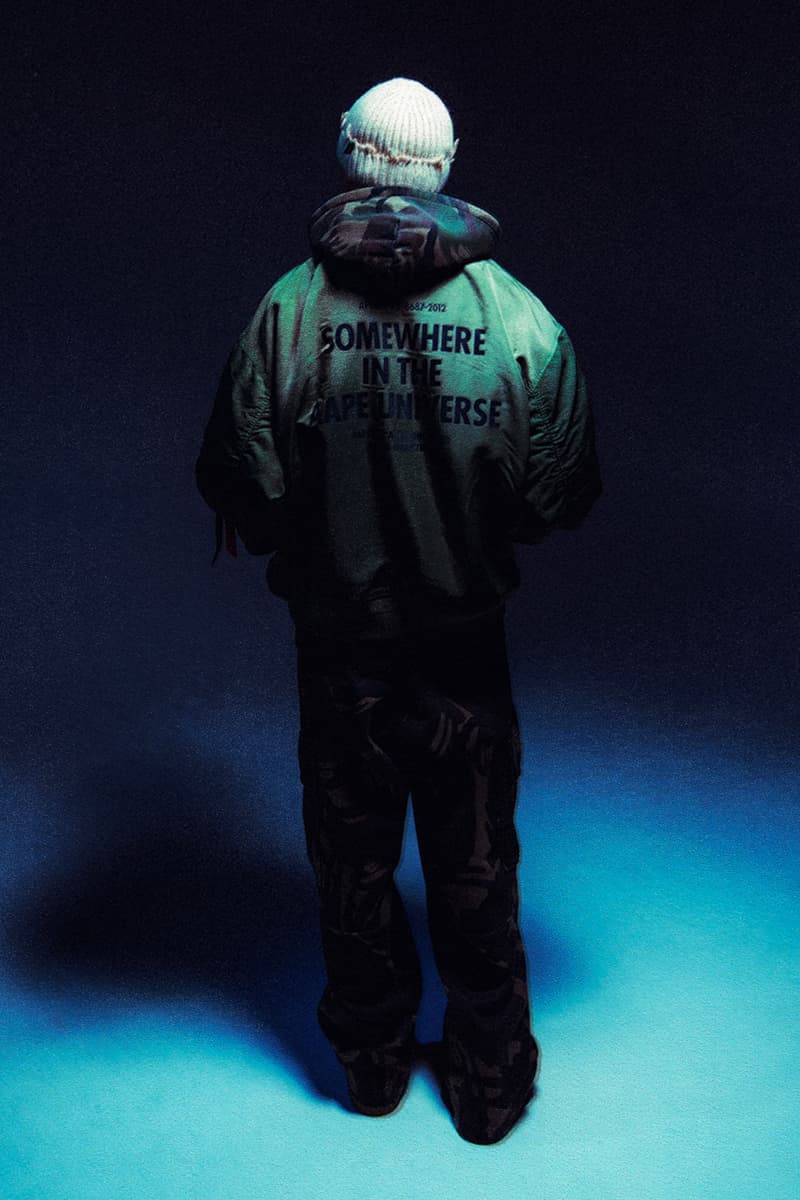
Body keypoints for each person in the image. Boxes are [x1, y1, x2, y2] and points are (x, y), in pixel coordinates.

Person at [196, 77, 601, 1144]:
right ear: (445, 165)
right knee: (476, 871)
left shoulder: (287, 311)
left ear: (351, 154)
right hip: (464, 649)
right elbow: (559, 495)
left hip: (341, 648)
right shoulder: (520, 319)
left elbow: (243, 482)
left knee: (353, 866)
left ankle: (371, 1067)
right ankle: (489, 1085)